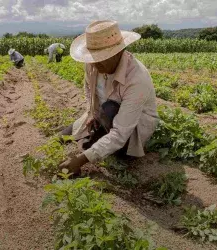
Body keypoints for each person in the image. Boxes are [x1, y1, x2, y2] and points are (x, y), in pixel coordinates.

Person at [59, 20, 158, 174]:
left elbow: (120, 133)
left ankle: (100, 144)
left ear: (119, 52)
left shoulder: (137, 79)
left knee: (109, 111)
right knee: (64, 135)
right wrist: (91, 111)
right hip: (104, 115)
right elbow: (88, 88)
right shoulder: (92, 65)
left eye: (101, 58)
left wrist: (81, 160)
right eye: (93, 58)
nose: (96, 65)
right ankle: (96, 134)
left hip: (130, 127)